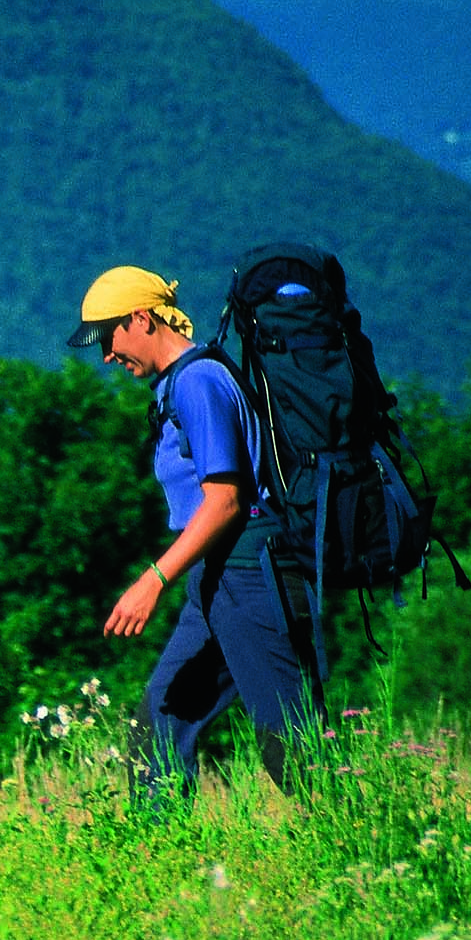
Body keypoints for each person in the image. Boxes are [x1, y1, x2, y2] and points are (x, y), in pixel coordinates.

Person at [70, 267, 321, 799]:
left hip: (252, 574)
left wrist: (153, 579)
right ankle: (154, 856)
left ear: (141, 318)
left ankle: (363, 846)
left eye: (108, 339)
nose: (107, 357)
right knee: (160, 721)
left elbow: (226, 500)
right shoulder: (181, 383)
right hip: (218, 578)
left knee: (292, 747)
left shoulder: (199, 382)